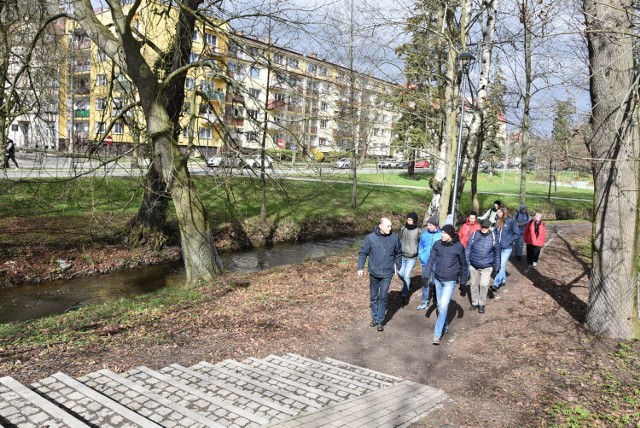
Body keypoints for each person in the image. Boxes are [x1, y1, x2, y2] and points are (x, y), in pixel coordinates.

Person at [423, 224, 467, 345]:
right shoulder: (437, 244)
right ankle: (444, 324)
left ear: (451, 234)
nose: (442, 234)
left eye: (444, 233)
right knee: (440, 306)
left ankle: (437, 334)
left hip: (450, 281)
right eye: (441, 232)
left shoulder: (458, 247)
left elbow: (464, 265)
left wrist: (463, 283)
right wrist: (426, 276)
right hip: (438, 279)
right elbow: (431, 260)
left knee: (443, 306)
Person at [357, 217, 402, 332]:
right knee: (374, 297)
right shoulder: (371, 238)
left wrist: (398, 266)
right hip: (374, 272)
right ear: (380, 226)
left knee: (383, 296)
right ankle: (374, 317)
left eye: (391, 226)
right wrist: (360, 267)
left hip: (387, 273)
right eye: (388, 226)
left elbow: (398, 253)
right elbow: (363, 253)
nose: (390, 228)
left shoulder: (395, 238)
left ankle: (380, 320)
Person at [465, 218, 501, 314]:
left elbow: (497, 253)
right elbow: (468, 248)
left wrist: (497, 266)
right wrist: (466, 261)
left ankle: (482, 304)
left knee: (484, 285)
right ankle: (474, 302)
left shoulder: (494, 237)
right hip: (474, 265)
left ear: (489, 227)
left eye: (486, 227)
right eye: (482, 226)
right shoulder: (475, 235)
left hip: (487, 266)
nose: (484, 228)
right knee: (473, 285)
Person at [491, 206, 520, 290]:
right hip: (498, 247)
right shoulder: (498, 221)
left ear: (504, 212)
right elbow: (495, 232)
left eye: (499, 212)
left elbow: (517, 234)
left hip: (507, 248)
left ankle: (496, 283)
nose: (498, 213)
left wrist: (510, 241)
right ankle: (503, 280)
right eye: (497, 212)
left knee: (501, 265)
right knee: (500, 265)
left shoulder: (510, 222)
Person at [417, 216, 442, 310]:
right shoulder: (424, 234)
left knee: (435, 282)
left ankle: (436, 300)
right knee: (425, 282)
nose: (428, 227)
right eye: (427, 225)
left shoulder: (441, 234)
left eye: (430, 225)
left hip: (437, 263)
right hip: (425, 262)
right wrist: (421, 255)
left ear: (435, 225)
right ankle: (424, 301)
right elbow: (421, 245)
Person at [397, 212, 422, 305]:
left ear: (414, 221)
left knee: (407, 275)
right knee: (400, 273)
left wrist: (418, 253)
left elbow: (421, 243)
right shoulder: (403, 229)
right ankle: (408, 283)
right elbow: (399, 240)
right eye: (407, 219)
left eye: (410, 220)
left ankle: (405, 295)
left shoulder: (419, 231)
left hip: (412, 257)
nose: (408, 221)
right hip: (402, 256)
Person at [458, 211, 481, 287]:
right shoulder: (464, 226)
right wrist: (458, 244)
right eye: (470, 218)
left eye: (473, 218)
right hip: (463, 246)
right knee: (464, 262)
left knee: (469, 262)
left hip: (473, 247)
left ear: (476, 219)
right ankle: (465, 275)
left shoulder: (478, 227)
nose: (472, 220)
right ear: (468, 218)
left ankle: (466, 275)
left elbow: (479, 237)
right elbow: (460, 235)